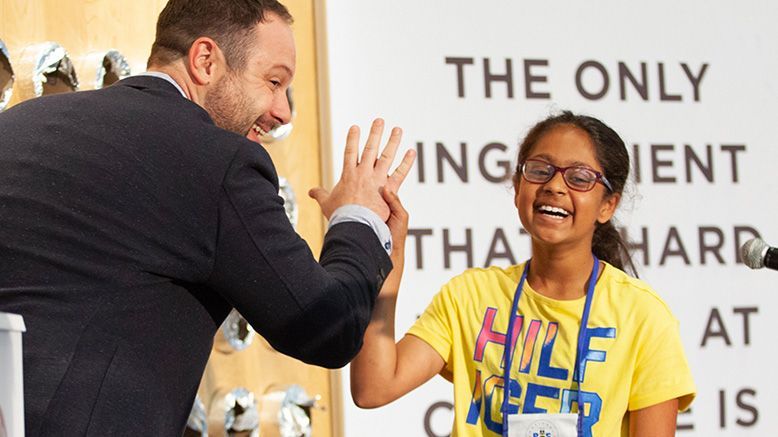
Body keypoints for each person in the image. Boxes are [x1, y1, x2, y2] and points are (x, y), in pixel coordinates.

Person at [0, 0, 414, 435]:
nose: (283, 111)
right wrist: (359, 219)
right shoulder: (218, 161)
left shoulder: (19, 124)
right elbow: (327, 328)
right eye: (273, 82)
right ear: (204, 60)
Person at [350, 111, 696, 437]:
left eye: (579, 178)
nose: (555, 186)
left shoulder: (643, 315)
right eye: (540, 170)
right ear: (517, 187)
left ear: (608, 205)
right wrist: (381, 253)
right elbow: (374, 388)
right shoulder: (469, 296)